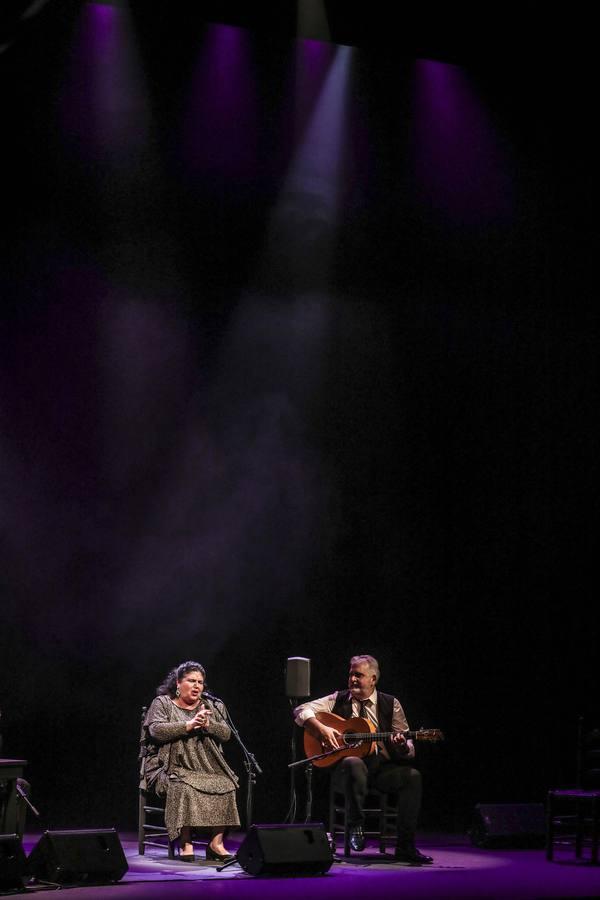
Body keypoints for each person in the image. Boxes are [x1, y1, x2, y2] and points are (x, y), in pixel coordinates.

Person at [293, 654, 433, 865]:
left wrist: (403, 746)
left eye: (358, 675)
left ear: (373, 679)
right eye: (351, 674)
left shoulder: (391, 704)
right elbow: (300, 710)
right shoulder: (337, 699)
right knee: (352, 762)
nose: (353, 679)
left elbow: (409, 748)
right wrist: (321, 729)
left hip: (381, 771)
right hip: (347, 774)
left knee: (413, 777)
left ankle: (405, 847)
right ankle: (355, 824)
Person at [141, 661, 240, 862]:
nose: (197, 686)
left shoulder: (212, 705)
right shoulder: (163, 703)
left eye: (200, 682)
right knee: (184, 785)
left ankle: (216, 843)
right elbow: (156, 731)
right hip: (168, 765)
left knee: (227, 784)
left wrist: (208, 725)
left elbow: (227, 734)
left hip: (206, 764)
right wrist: (189, 724)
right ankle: (185, 842)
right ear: (178, 683)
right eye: (191, 681)